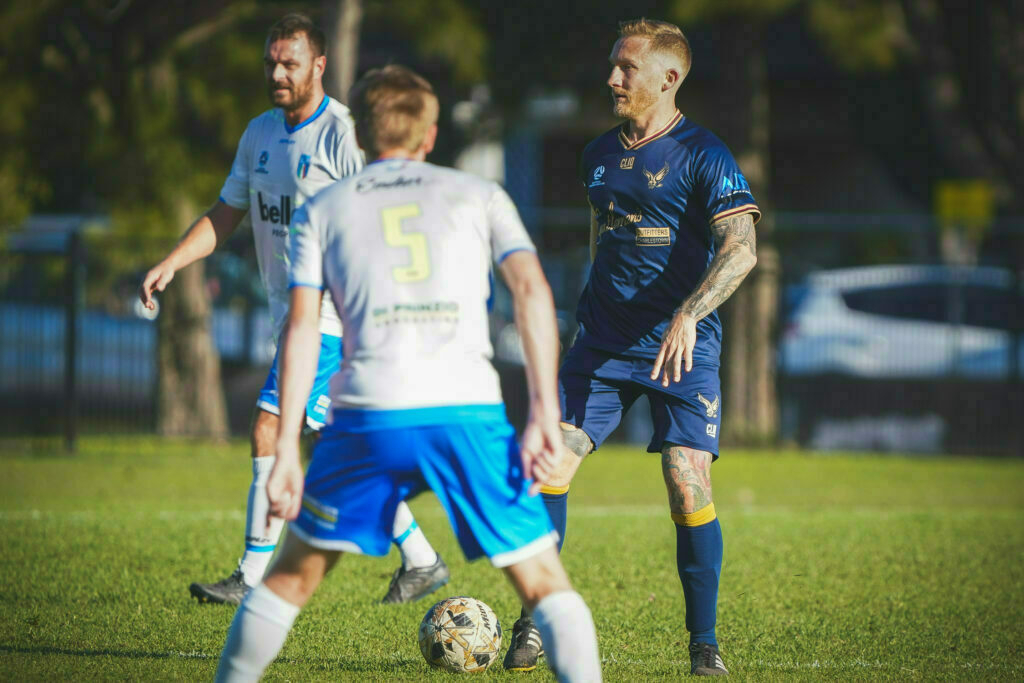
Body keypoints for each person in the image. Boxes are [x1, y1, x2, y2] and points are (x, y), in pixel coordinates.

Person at [214, 65, 602, 683]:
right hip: (467, 413)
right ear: (431, 135)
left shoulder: (323, 209)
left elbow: (302, 328)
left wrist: (287, 445)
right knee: (542, 582)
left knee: (291, 577)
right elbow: (531, 290)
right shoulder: (479, 194)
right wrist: (539, 414)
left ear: (360, 138)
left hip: (369, 416)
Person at [138, 14, 446, 607]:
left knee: (269, 425)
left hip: (335, 316)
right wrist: (174, 262)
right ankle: (423, 559)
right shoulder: (258, 133)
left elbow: (385, 215)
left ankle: (250, 578)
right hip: (294, 315)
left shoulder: (344, 134)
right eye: (270, 63)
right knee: (339, 447)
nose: (277, 73)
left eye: (290, 63)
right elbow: (228, 213)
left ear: (319, 66)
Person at [502, 18, 759, 677]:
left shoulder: (706, 154)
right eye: (613, 66)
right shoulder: (595, 156)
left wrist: (688, 313)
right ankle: (533, 622)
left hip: (683, 349)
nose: (613, 78)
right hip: (604, 348)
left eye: (627, 69)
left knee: (685, 484)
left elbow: (742, 249)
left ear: (669, 78)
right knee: (547, 467)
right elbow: (603, 242)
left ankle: (704, 643)